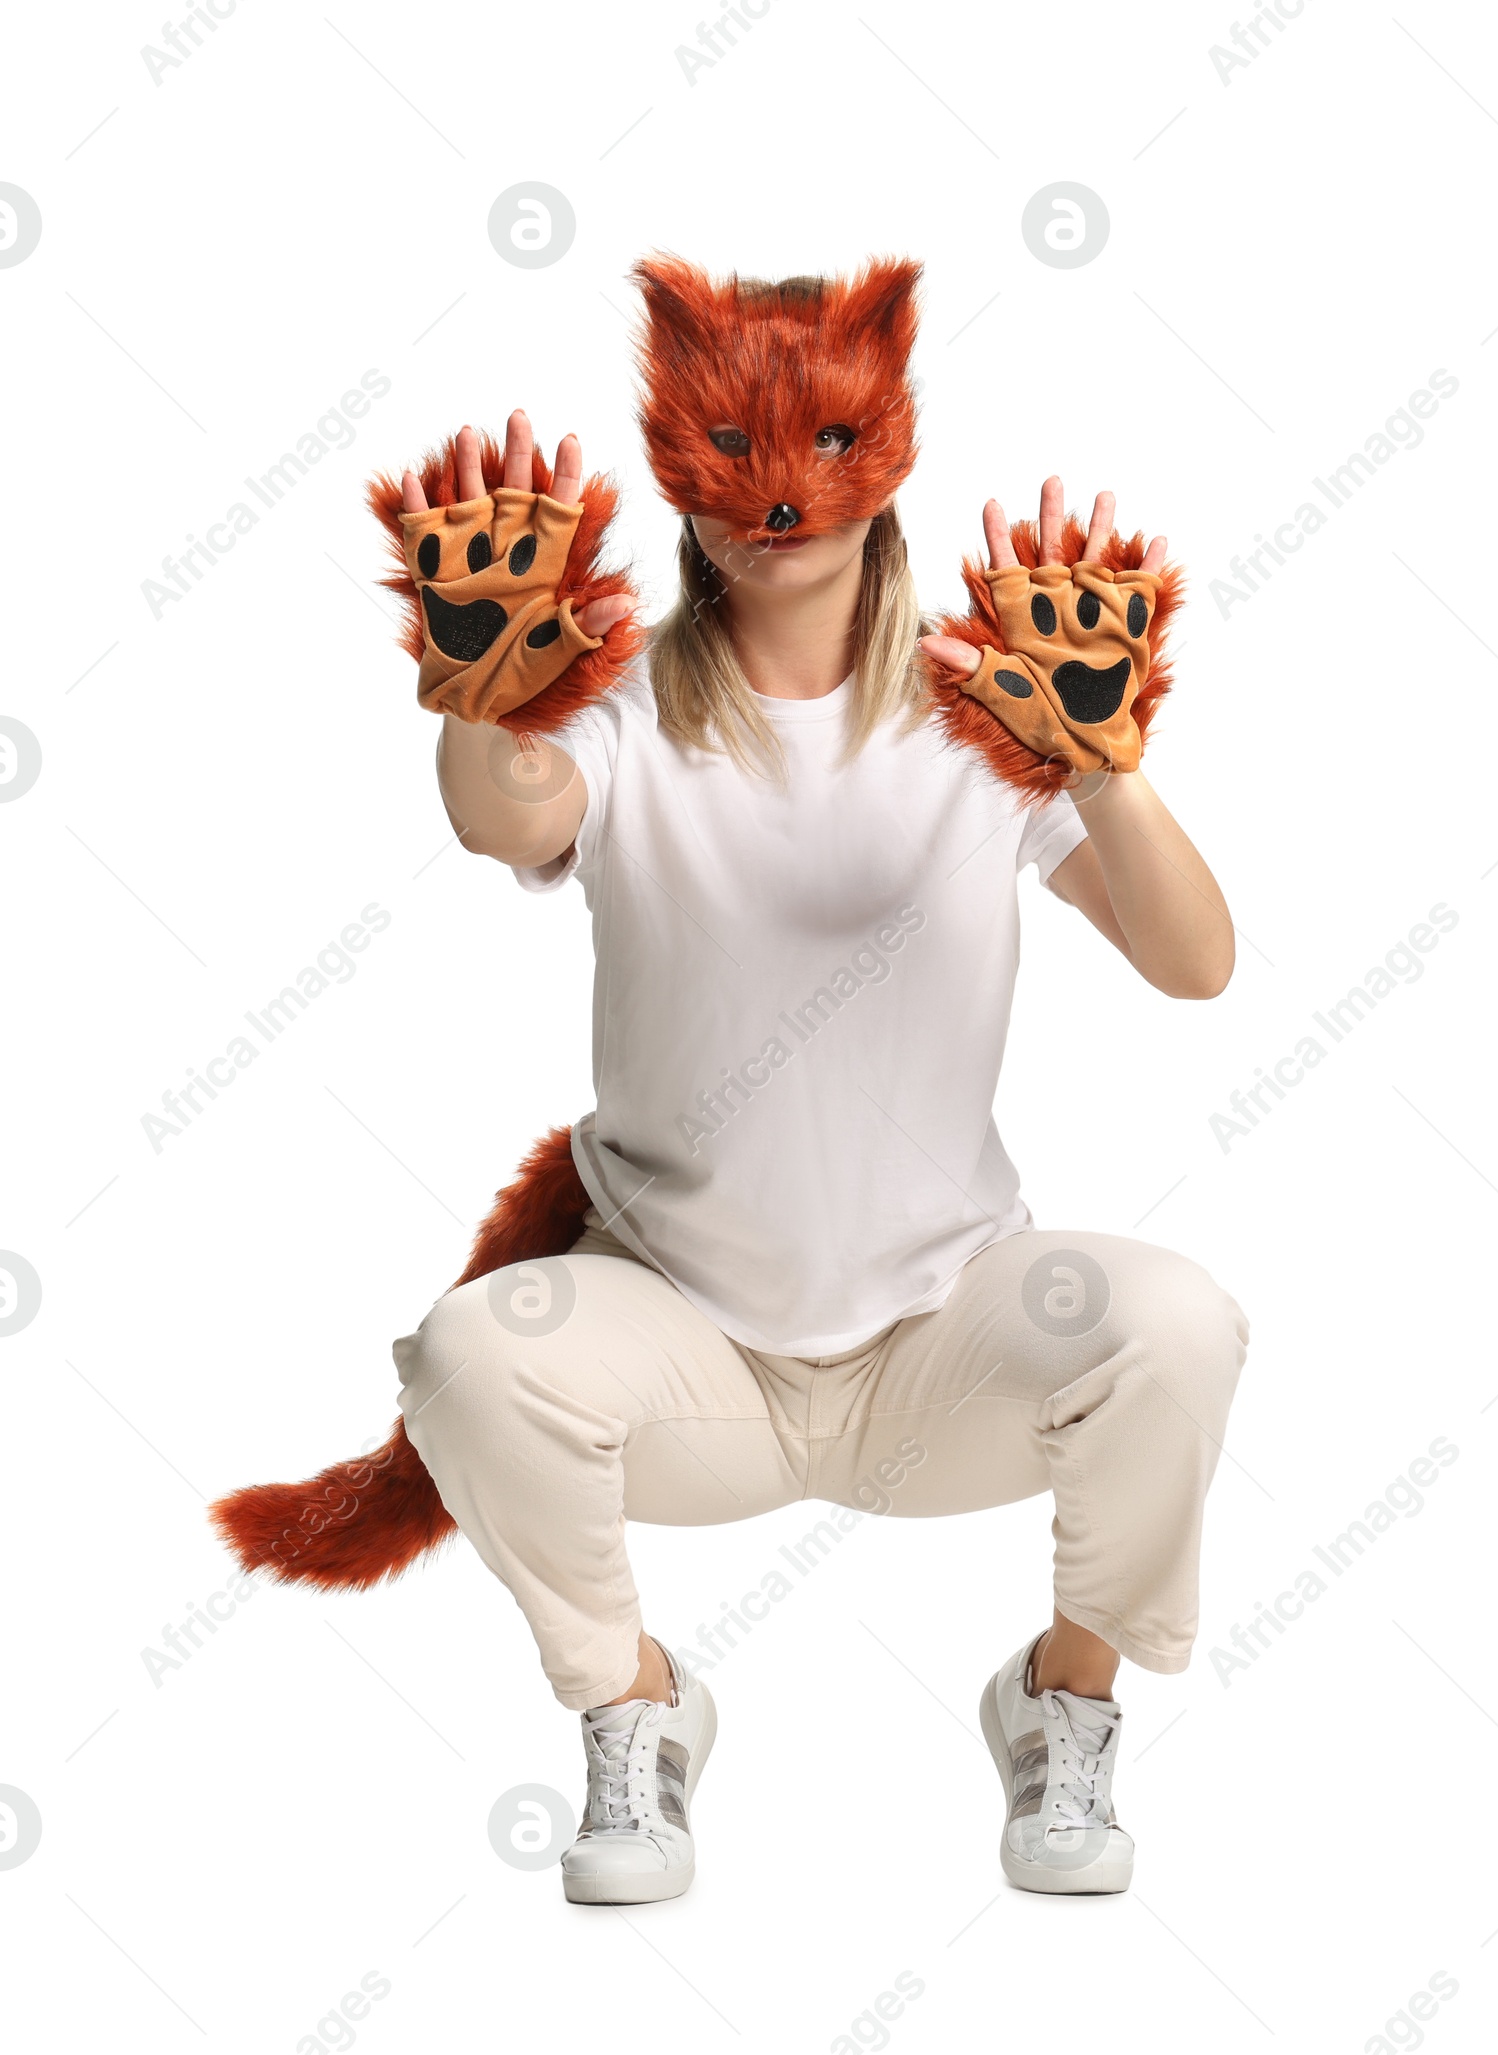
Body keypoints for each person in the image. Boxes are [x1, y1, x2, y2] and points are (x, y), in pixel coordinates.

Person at [384, 259, 1249, 1905]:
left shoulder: (982, 709)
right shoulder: (632, 708)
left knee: (1177, 1320)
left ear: (891, 448)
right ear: (676, 472)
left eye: (823, 445)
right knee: (472, 1358)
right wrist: (478, 692)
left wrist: (1104, 770)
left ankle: (1064, 1699)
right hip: (685, 1357)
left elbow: (1198, 963)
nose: (779, 494)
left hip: (943, 1349)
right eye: (729, 445)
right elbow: (506, 816)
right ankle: (637, 1713)